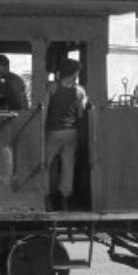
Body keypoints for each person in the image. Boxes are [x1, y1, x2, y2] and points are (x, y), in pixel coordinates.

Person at [44, 57, 86, 210]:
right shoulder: (80, 91)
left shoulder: (52, 87)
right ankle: (64, 199)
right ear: (73, 73)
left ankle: (46, 197)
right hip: (71, 133)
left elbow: (45, 110)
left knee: (45, 165)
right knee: (68, 166)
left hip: (53, 132)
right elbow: (81, 114)